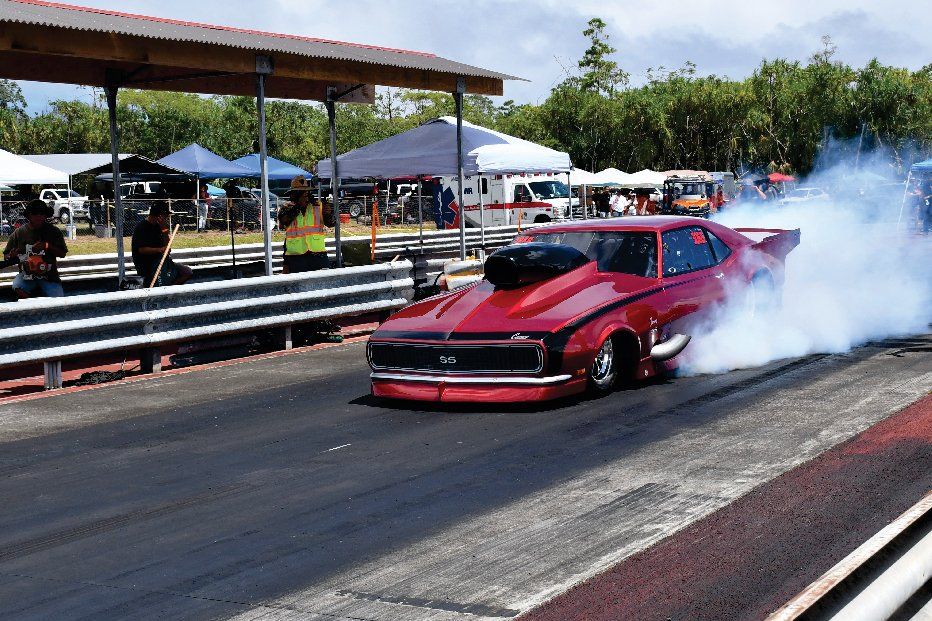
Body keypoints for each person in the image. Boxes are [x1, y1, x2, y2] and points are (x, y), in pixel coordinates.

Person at [3, 199, 67, 299]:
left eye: (42, 213)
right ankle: (32, 308)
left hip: (49, 276)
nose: (38, 216)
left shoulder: (54, 231)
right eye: (34, 213)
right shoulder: (19, 233)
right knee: (17, 286)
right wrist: (11, 256)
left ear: (46, 215)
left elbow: (62, 253)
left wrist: (47, 245)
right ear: (28, 215)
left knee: (59, 300)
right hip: (26, 275)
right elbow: (6, 255)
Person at [279, 175, 334, 273]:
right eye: (303, 194)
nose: (306, 196)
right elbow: (283, 221)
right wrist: (298, 205)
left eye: (307, 193)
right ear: (295, 195)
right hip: (296, 258)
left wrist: (328, 213)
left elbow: (331, 223)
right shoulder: (286, 208)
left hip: (318, 256)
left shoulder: (317, 206)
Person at [131, 203, 193, 287]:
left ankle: (169, 290)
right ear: (160, 215)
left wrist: (164, 230)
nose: (167, 218)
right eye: (166, 216)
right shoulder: (142, 227)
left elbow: (167, 246)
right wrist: (160, 250)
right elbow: (142, 250)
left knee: (187, 272)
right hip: (147, 265)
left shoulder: (160, 226)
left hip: (161, 262)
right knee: (160, 279)